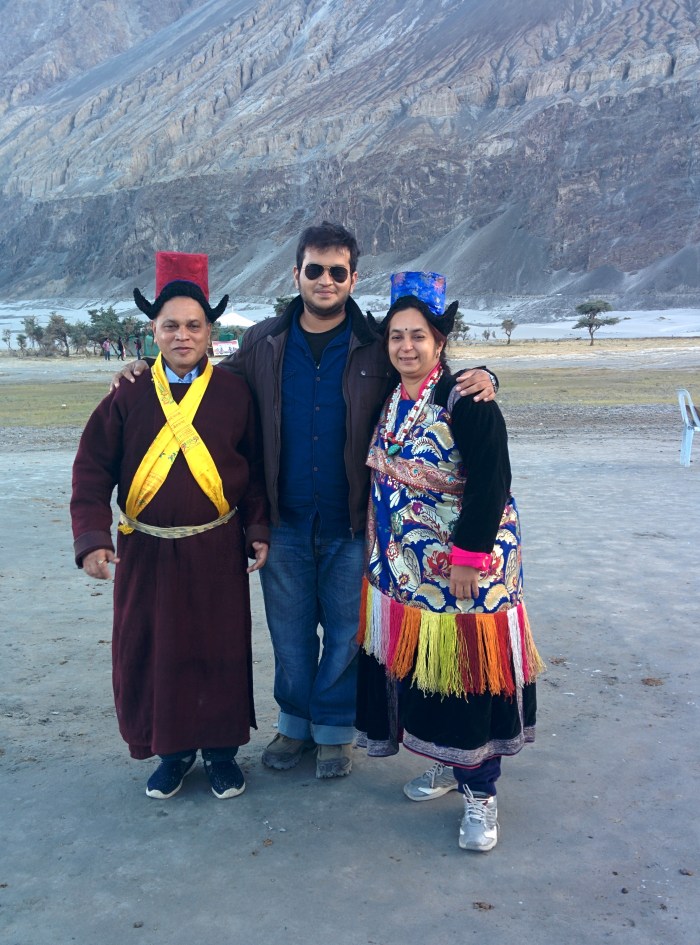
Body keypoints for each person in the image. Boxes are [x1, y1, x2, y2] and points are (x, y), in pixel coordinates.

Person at [111, 222, 497, 780]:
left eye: (337, 271)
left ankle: (335, 732)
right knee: (289, 631)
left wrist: (484, 377)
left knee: (344, 630)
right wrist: (145, 372)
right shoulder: (261, 343)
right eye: (313, 269)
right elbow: (200, 386)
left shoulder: (376, 345)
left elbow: (427, 372)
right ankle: (294, 725)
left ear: (352, 278)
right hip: (283, 519)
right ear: (296, 274)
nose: (324, 280)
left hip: (351, 520)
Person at [355, 271, 544, 851]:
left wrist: (467, 558)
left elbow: (492, 480)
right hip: (407, 576)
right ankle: (446, 762)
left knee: (467, 682)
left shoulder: (468, 397)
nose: (406, 346)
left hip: (464, 572)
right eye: (396, 336)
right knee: (427, 676)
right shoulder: (394, 396)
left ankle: (480, 794)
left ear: (440, 340)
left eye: (418, 336)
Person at [71, 251, 270, 800]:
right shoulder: (127, 393)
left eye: (194, 325)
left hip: (216, 550)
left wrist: (257, 528)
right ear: (153, 331)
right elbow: (91, 471)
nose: (183, 336)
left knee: (219, 649)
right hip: (146, 553)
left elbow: (253, 472)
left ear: (211, 330)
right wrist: (91, 538)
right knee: (155, 651)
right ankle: (172, 752)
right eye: (171, 326)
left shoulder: (233, 392)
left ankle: (223, 753)